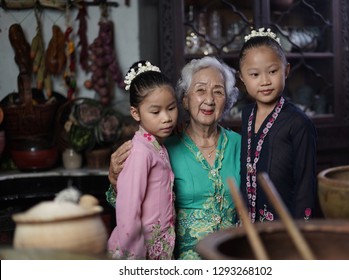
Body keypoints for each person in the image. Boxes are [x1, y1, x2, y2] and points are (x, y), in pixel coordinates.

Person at [106, 56, 241, 260]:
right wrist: (115, 179)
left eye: (218, 92)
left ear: (228, 100)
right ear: (185, 99)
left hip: (233, 255)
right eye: (201, 90)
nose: (210, 99)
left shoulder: (241, 144)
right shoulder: (162, 147)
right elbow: (131, 209)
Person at [238, 28, 317, 223]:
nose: (265, 81)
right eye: (254, 74)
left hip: (284, 224)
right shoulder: (247, 114)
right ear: (242, 78)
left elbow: (306, 183)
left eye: (272, 72)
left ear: (286, 70)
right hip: (249, 222)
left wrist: (301, 230)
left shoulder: (298, 122)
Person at [107, 61, 178, 260]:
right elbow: (128, 212)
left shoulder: (157, 146)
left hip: (159, 247)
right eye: (155, 112)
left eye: (171, 108)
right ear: (135, 113)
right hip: (139, 252)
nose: (166, 118)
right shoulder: (140, 152)